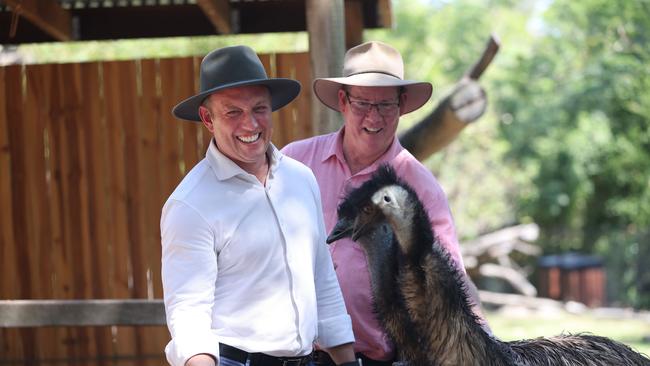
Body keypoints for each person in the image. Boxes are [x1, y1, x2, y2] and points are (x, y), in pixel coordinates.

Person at [281, 41, 489, 365]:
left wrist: (484, 343)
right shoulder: (294, 162)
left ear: (402, 105)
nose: (374, 117)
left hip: (373, 359)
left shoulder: (419, 187)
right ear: (343, 102)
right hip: (291, 354)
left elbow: (449, 280)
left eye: (386, 105)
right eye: (363, 103)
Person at [161, 45, 359, 366]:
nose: (251, 124)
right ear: (207, 119)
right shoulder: (190, 204)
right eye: (233, 112)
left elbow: (322, 278)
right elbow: (188, 313)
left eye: (259, 109)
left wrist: (348, 362)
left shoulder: (301, 179)